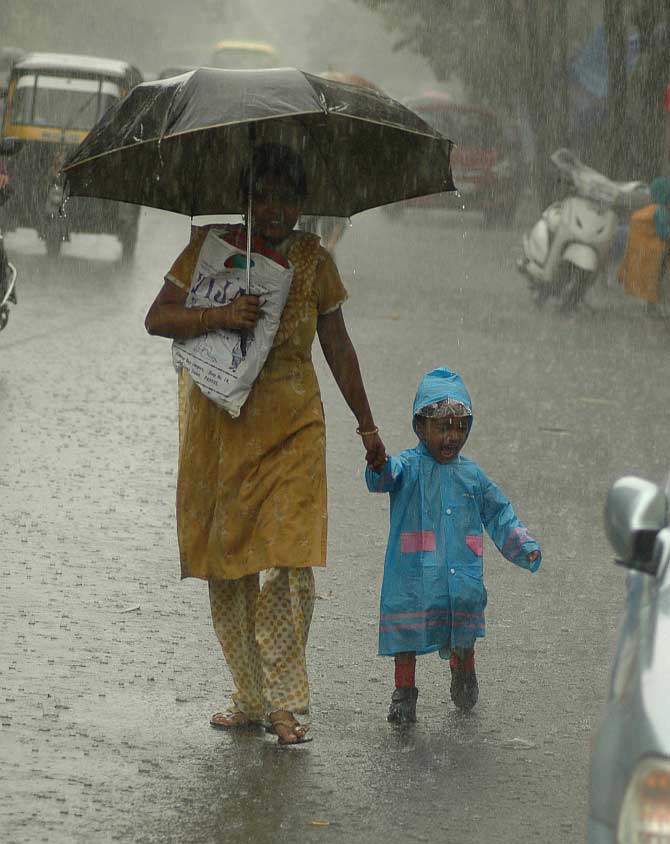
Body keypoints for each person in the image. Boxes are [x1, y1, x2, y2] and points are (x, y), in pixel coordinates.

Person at [145, 143, 386, 745]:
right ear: (246, 199)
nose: (274, 208)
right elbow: (158, 317)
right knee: (227, 566)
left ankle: (284, 701)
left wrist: (367, 425)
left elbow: (338, 346)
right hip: (220, 429)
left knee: (288, 559)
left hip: (293, 428)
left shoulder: (313, 261)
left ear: (303, 204)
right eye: (263, 194)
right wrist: (220, 316)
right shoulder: (211, 251)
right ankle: (249, 696)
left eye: (287, 196)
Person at [365, 367, 541, 724]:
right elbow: (383, 478)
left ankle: (463, 667)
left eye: (460, 426)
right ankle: (404, 692)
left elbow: (499, 512)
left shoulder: (472, 476)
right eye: (442, 426)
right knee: (407, 632)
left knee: (462, 618)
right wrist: (378, 463)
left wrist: (523, 545)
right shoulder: (407, 468)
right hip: (412, 574)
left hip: (460, 571)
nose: (452, 436)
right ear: (420, 427)